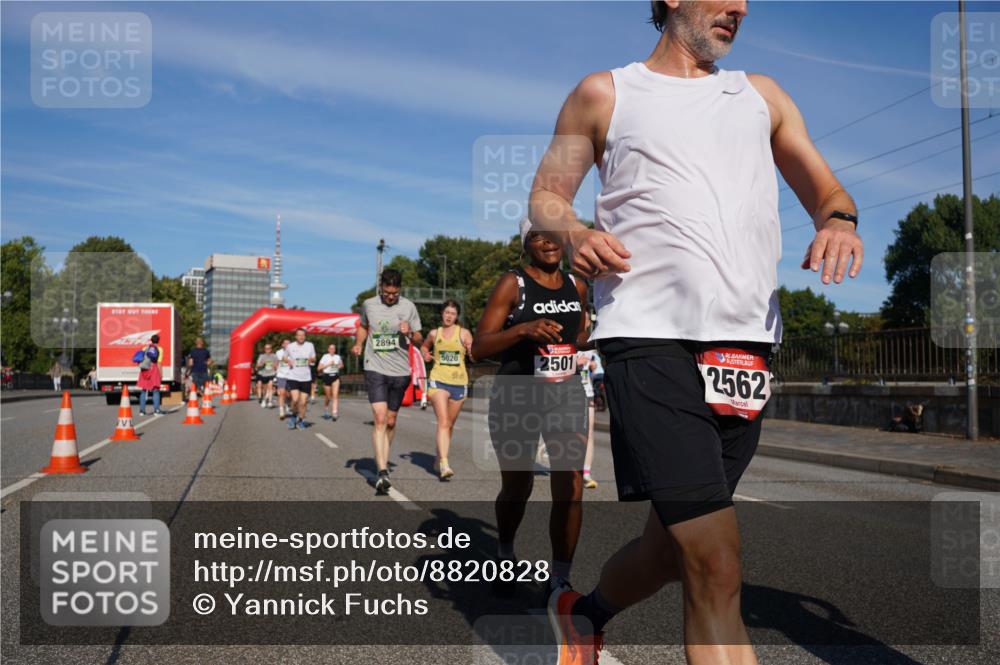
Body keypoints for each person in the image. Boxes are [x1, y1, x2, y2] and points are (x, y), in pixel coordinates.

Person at [530, 3, 864, 663]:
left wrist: (840, 221)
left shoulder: (761, 97)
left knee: (669, 547)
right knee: (715, 560)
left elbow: (827, 189)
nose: (741, 6)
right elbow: (546, 197)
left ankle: (585, 614)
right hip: (647, 337)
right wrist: (572, 234)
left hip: (745, 348)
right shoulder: (605, 93)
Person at [472, 218, 592, 594]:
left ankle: (560, 579)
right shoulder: (514, 284)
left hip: (566, 393)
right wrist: (522, 329)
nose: (549, 242)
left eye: (554, 235)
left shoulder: (578, 285)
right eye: (538, 236)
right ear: (526, 244)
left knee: (571, 484)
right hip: (517, 396)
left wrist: (594, 338)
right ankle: (505, 554)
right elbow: (478, 348)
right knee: (518, 485)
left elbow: (580, 334)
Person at [352, 268, 423, 495]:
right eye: (386, 292)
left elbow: (420, 338)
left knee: (391, 421)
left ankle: (383, 454)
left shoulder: (408, 307)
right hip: (375, 366)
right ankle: (382, 471)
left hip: (400, 370)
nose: (390, 296)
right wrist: (358, 343)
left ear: (400, 289)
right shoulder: (369, 304)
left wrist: (410, 332)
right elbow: (363, 326)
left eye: (394, 293)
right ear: (380, 287)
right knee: (380, 418)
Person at [421, 299, 474, 480]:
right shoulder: (435, 333)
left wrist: (471, 349)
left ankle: (438, 456)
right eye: (446, 312)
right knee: (443, 422)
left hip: (459, 383)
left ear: (456, 316)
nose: (449, 316)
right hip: (438, 381)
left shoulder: (464, 334)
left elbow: (474, 354)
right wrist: (425, 354)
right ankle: (444, 462)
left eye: (452, 313)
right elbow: (424, 346)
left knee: (449, 425)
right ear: (442, 314)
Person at [283, 328, 316, 431]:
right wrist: (288, 361)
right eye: (299, 335)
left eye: (303, 335)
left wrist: (311, 359)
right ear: (296, 336)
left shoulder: (310, 345)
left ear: (305, 336)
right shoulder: (290, 346)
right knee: (295, 399)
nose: (301, 337)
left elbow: (314, 358)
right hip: (293, 376)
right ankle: (293, 416)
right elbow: (284, 357)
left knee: (303, 402)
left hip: (306, 377)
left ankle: (300, 420)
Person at [576, 351, 598, 490]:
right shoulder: (567, 335)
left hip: (586, 390)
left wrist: (592, 365)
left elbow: (594, 367)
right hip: (566, 390)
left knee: (589, 432)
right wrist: (575, 363)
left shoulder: (591, 344)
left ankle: (586, 473)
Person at [136, 334, 164, 416]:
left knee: (144, 390)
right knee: (156, 390)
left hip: (144, 370)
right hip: (154, 369)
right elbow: (158, 363)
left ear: (151, 340)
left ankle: (142, 411)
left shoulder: (145, 348)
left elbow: (141, 359)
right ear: (158, 340)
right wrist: (161, 374)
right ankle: (156, 410)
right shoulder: (159, 349)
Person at [318, 344, 344, 420]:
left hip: (335, 376)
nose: (332, 350)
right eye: (331, 348)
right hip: (327, 377)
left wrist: (339, 366)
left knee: (335, 396)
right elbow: (319, 368)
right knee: (328, 397)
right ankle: (326, 408)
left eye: (334, 348)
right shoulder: (325, 356)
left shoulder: (337, 357)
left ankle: (334, 413)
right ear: (328, 349)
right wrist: (328, 364)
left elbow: (342, 365)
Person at [256, 343, 278, 408]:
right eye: (266, 349)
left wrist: (274, 366)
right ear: (264, 349)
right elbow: (257, 365)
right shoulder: (261, 356)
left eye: (269, 348)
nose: (267, 350)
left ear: (271, 349)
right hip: (263, 374)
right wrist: (262, 364)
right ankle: (263, 399)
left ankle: (270, 401)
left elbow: (277, 366)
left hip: (271, 373)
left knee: (270, 386)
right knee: (265, 389)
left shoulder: (274, 356)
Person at [275, 339, 292, 420]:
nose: (287, 345)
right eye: (286, 344)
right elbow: (277, 362)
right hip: (281, 375)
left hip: (291, 376)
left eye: (289, 344)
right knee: (282, 393)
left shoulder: (294, 352)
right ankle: (281, 411)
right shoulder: (279, 352)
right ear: (282, 345)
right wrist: (275, 371)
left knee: (289, 394)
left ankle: (288, 403)